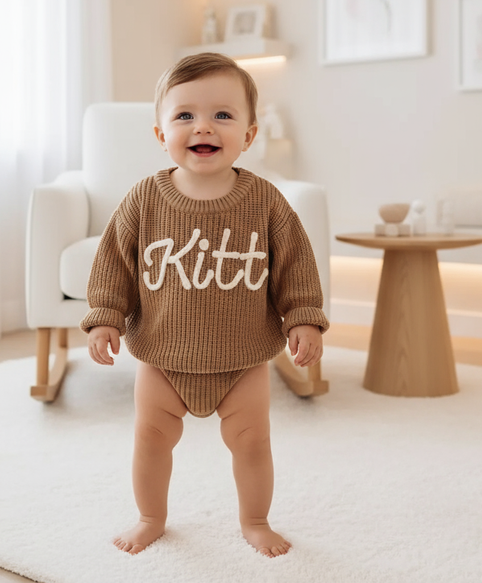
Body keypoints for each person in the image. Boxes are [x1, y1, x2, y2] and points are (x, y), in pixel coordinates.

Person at [80, 52, 329, 558]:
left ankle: (255, 520)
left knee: (252, 443)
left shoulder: (266, 203)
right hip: (162, 358)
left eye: (223, 114)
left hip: (242, 360)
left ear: (249, 134)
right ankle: (151, 516)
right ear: (160, 133)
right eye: (185, 115)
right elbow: (112, 263)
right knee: (150, 441)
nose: (204, 127)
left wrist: (303, 317)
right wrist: (104, 317)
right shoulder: (144, 200)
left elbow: (296, 265)